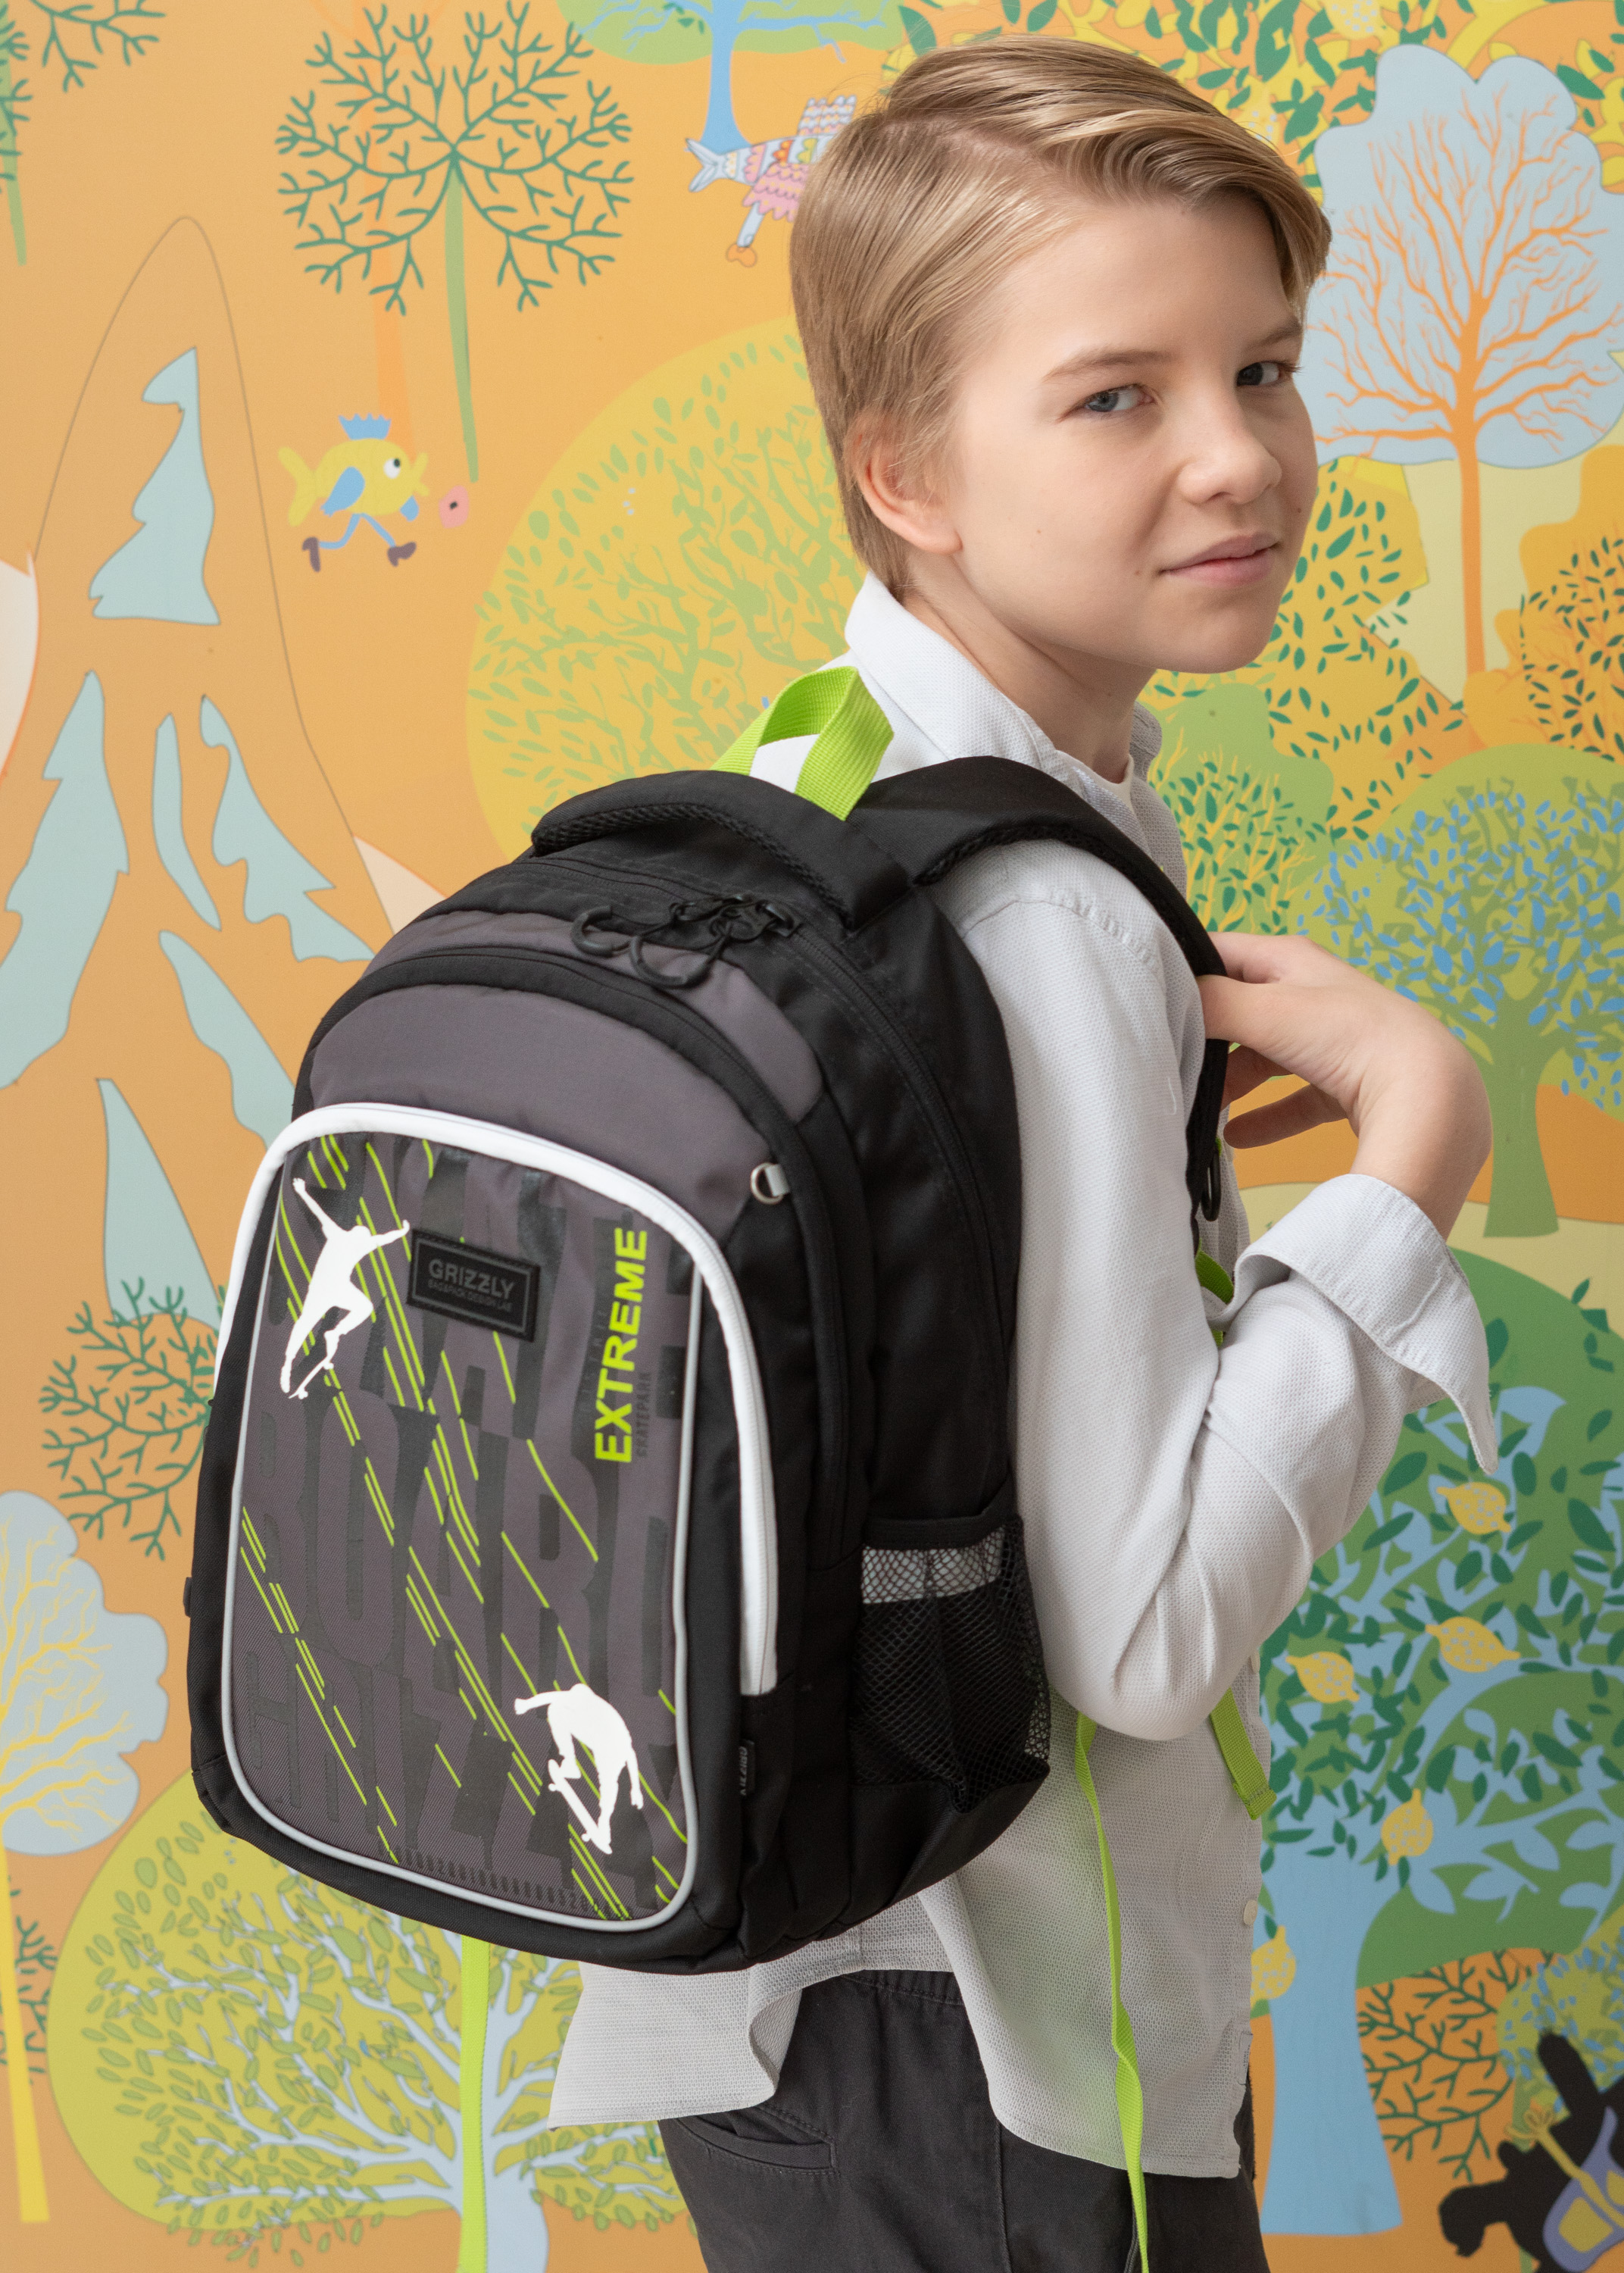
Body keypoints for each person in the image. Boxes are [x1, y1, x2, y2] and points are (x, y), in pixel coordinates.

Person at [548, 38, 1496, 2271]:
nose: (1236, 456)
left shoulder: (816, 766)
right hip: (1000, 2035)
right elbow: (1144, 1639)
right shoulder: (1041, 911)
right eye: (1113, 397)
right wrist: (1409, 1162)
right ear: (907, 473)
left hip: (786, 1993)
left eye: (1261, 368)